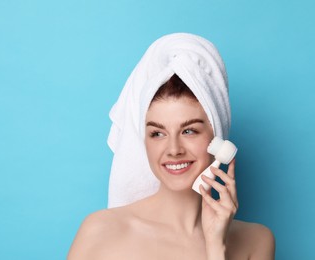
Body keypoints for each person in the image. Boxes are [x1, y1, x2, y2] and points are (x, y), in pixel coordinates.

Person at [68, 33, 275, 259]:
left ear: (216, 137)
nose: (173, 149)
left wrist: (216, 246)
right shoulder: (101, 231)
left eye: (189, 131)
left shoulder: (256, 241)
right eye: (157, 133)